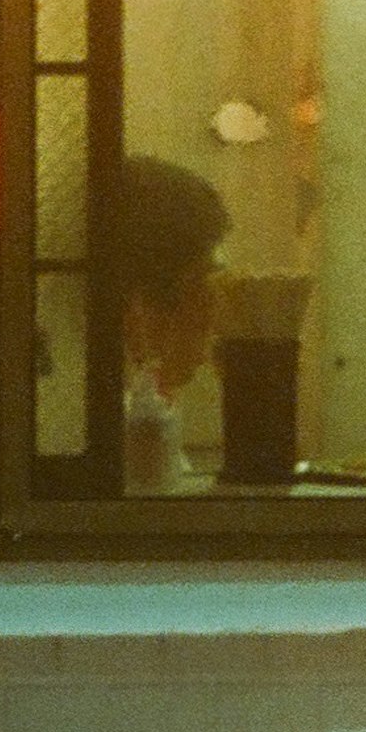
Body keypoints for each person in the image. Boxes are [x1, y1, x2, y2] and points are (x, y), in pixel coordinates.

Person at [105, 156, 228, 493]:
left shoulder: (144, 413)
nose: (215, 310)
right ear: (138, 300)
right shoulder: (114, 431)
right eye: (201, 281)